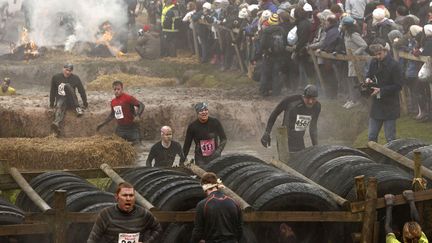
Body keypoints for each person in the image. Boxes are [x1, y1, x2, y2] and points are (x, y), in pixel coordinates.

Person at [87, 182, 162, 243]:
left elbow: (157, 229)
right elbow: (92, 239)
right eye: (125, 195)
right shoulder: (106, 214)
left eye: (131, 195)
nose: (128, 199)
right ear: (117, 197)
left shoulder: (143, 213)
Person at [261, 84, 321, 153]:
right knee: (286, 162)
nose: (310, 102)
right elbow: (275, 114)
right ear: (303, 96)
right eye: (308, 98)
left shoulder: (317, 107)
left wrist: (316, 147)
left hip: (299, 141)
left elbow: (313, 128)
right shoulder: (290, 101)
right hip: (284, 140)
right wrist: (267, 132)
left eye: (313, 99)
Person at [365, 41, 402, 142]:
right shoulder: (373, 62)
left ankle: (391, 158)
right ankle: (373, 157)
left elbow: (398, 86)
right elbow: (369, 74)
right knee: (371, 137)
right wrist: (368, 79)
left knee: (390, 138)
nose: (377, 56)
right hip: (377, 104)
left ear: (385, 51)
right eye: (375, 54)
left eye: (379, 53)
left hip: (390, 104)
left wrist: (381, 90)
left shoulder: (395, 65)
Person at [190, 172, 243, 243]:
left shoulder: (203, 204)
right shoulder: (234, 203)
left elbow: (198, 231)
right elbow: (240, 229)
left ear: (204, 186)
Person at [96, 80, 145, 144]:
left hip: (132, 127)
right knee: (116, 144)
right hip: (121, 128)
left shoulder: (128, 98)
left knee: (137, 145)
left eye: (118, 89)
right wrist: (102, 124)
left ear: (122, 89)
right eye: (115, 89)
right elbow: (112, 115)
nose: (116, 91)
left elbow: (141, 105)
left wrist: (138, 115)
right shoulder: (113, 102)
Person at [181, 102, 227, 166]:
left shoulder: (215, 122)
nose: (204, 112)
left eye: (206, 110)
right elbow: (187, 146)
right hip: (200, 158)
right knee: (203, 175)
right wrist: (182, 160)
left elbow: (224, 139)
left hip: (215, 156)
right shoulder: (192, 126)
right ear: (197, 113)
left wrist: (218, 151)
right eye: (201, 111)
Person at [49, 64, 88, 135]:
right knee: (60, 104)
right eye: (66, 70)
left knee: (67, 86)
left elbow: (81, 91)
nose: (67, 72)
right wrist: (51, 104)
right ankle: (56, 123)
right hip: (61, 100)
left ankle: (77, 108)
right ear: (63, 69)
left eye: (69, 71)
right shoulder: (56, 77)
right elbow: (52, 91)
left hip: (72, 101)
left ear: (72, 71)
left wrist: (85, 102)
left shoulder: (75, 78)